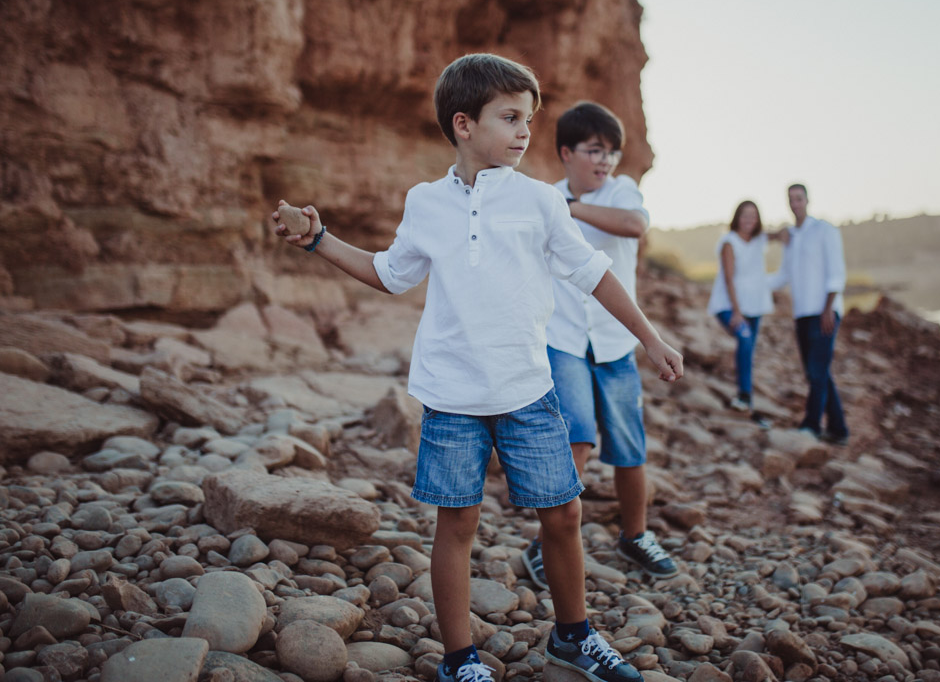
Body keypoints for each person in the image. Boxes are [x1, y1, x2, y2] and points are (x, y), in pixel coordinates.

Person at [272, 54, 683, 682]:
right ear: (464, 125)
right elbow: (389, 273)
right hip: (451, 394)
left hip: (528, 389)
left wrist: (649, 339)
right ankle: (461, 661)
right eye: (510, 118)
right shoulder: (426, 202)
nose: (525, 132)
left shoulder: (541, 201)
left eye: (529, 119)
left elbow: (593, 273)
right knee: (457, 522)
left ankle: (573, 637)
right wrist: (318, 239)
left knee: (564, 513)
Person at [520, 102, 678, 591]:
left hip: (614, 342)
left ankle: (635, 535)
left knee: (630, 447)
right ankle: (546, 541)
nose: (605, 161)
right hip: (563, 338)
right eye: (594, 151)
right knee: (578, 437)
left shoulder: (621, 191)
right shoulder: (544, 197)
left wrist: (569, 209)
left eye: (611, 152)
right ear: (567, 153)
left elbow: (634, 225)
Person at [769, 183, 848, 445]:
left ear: (807, 200)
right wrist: (751, 283)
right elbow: (782, 276)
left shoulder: (824, 230)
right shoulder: (790, 237)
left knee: (817, 371)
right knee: (818, 372)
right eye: (790, 199)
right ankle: (839, 430)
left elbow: (837, 273)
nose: (795, 203)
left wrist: (828, 309)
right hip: (801, 314)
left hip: (824, 311)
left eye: (799, 198)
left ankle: (811, 425)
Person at [707, 199, 774, 429]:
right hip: (730, 306)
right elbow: (728, 277)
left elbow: (775, 235)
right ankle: (744, 395)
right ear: (737, 217)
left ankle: (746, 402)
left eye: (753, 216)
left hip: (754, 305)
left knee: (748, 350)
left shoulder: (758, 240)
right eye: (745, 215)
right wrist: (736, 311)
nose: (749, 220)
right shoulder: (729, 242)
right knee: (744, 338)